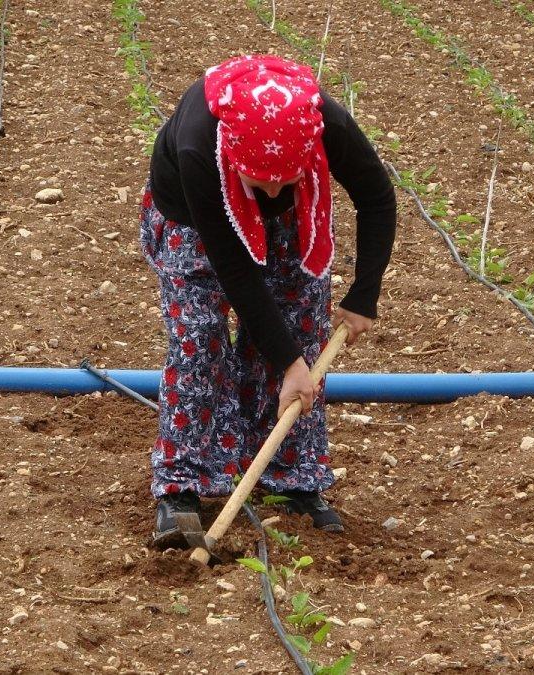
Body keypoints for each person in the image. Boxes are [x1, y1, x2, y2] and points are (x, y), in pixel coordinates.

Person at [140, 54, 396, 547]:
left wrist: (364, 294)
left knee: (302, 324)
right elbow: (235, 272)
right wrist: (290, 364)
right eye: (263, 181)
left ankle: (290, 477)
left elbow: (377, 197)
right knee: (201, 340)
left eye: (288, 178)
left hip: (297, 222)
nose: (275, 189)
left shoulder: (326, 124)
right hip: (194, 222)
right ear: (237, 159)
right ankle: (180, 487)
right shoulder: (199, 145)